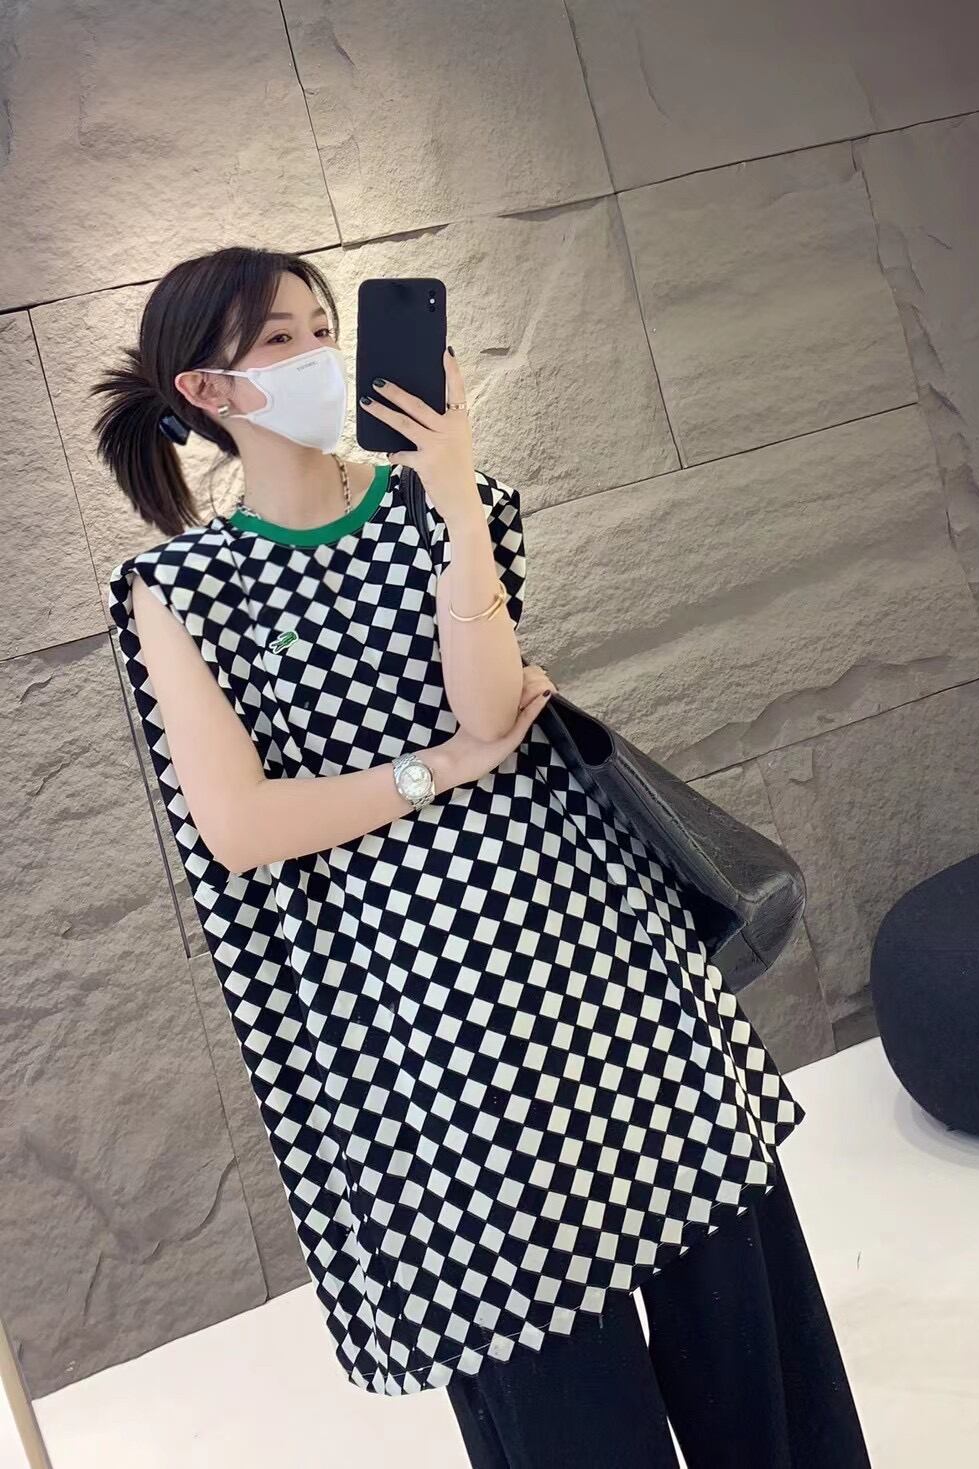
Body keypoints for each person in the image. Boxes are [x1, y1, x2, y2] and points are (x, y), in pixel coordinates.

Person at [95, 245, 871, 1467]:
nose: (319, 354)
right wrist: (436, 771)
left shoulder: (450, 501)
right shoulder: (179, 588)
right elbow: (238, 825)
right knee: (545, 1358)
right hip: (413, 1015)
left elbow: (491, 699)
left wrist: (450, 490)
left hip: (584, 942)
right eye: (281, 339)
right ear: (206, 390)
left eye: (321, 325)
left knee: (734, 1296)